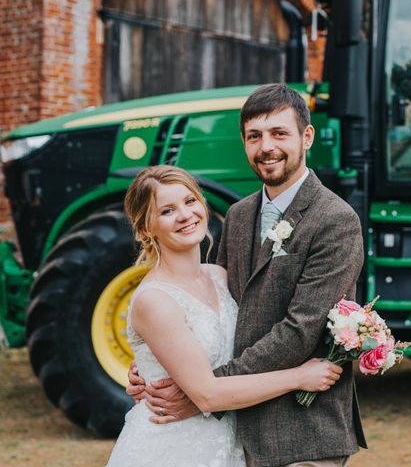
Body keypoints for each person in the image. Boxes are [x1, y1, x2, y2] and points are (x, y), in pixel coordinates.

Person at [127, 84, 367, 466]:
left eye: (279, 133)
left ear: (307, 137)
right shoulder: (239, 215)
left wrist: (202, 390)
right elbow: (222, 310)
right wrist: (157, 361)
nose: (266, 147)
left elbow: (300, 330)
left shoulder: (335, 220)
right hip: (237, 431)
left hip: (301, 431)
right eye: (254, 136)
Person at [106, 165, 343, 466]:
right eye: (167, 211)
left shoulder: (219, 277)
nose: (185, 215)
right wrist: (299, 377)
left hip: (229, 443)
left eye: (190, 201)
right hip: (174, 446)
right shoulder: (155, 300)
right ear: (144, 229)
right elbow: (207, 395)